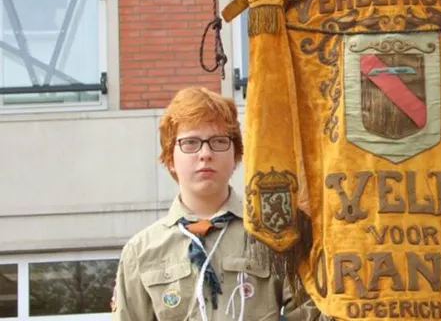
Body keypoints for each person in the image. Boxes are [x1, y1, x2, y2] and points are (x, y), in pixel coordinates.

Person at [111, 86, 321, 321]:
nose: (205, 153)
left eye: (218, 141)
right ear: (170, 158)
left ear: (236, 156)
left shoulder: (274, 235)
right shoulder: (141, 252)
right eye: (190, 143)